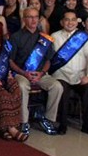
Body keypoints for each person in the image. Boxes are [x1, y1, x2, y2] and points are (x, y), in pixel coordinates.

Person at [9, 7, 62, 135]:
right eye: (30, 17)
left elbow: (48, 60)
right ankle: (24, 121)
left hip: (40, 74)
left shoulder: (44, 38)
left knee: (57, 86)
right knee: (21, 86)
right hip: (21, 73)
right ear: (24, 19)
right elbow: (10, 61)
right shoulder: (16, 37)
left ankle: (48, 119)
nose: (33, 20)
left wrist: (42, 73)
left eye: (35, 17)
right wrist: (23, 73)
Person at [50, 10, 88, 136]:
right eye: (67, 19)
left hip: (80, 75)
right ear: (62, 22)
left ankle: (87, 125)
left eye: (73, 19)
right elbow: (49, 58)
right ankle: (62, 124)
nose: (70, 22)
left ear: (77, 22)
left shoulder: (84, 38)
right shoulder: (54, 37)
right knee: (62, 91)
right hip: (61, 74)